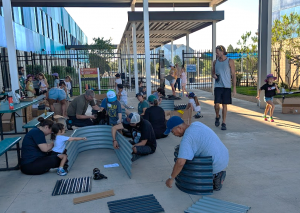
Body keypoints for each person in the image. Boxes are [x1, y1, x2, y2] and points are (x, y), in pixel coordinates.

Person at [164, 116, 229, 191]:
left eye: (172, 132)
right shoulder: (197, 124)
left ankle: (217, 175)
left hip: (215, 165)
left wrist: (171, 178)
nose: (173, 134)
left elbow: (180, 162)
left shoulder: (187, 139)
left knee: (191, 174)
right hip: (223, 155)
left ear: (179, 128)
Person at [212, 45, 236, 131]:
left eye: (217, 52)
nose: (216, 54)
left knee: (224, 105)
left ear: (222, 52)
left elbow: (233, 75)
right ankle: (217, 116)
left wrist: (234, 88)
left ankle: (224, 122)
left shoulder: (230, 61)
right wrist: (214, 75)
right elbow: (213, 73)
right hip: (218, 86)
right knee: (216, 104)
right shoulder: (215, 62)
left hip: (227, 86)